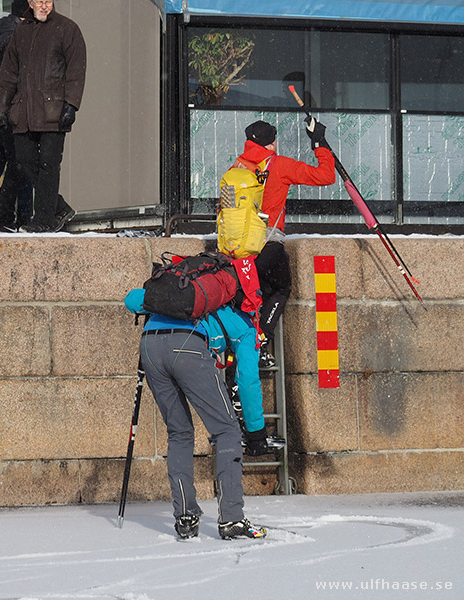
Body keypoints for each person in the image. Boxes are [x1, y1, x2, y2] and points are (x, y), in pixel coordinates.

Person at [124, 288, 268, 540]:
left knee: (179, 433)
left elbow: (132, 300)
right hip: (188, 345)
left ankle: (185, 516)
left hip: (149, 346)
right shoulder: (246, 324)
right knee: (227, 430)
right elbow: (247, 381)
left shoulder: (184, 294)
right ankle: (232, 518)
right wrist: (256, 430)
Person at [231, 119, 336, 364]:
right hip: (267, 242)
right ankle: (262, 340)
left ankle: (240, 347)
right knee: (280, 288)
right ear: (272, 142)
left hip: (237, 247)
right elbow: (325, 176)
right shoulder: (278, 165)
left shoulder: (235, 168)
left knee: (247, 295)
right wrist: (318, 142)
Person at [0, 0, 86, 233]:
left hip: (53, 111)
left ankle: (44, 219)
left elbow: (76, 70)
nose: (44, 6)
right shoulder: (21, 31)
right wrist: (0, 108)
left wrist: (71, 105)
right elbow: (8, 74)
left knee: (49, 165)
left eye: (49, 1)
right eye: (40, 1)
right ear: (30, 2)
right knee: (23, 161)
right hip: (23, 112)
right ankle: (59, 207)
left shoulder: (67, 28)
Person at [0, 0, 33, 233]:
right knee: (21, 167)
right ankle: (20, 219)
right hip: (6, 115)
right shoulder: (15, 35)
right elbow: (13, 79)